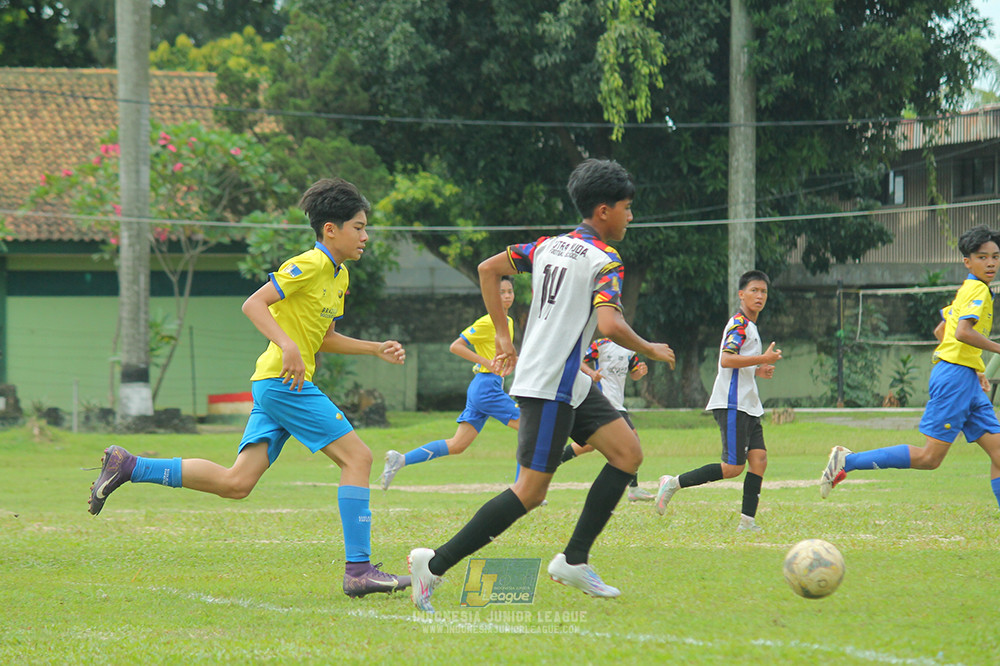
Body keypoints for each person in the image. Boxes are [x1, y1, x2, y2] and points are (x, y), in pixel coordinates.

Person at [87, 178, 412, 598]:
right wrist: (287, 343)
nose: (365, 236)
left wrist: (374, 349)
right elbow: (253, 304)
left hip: (277, 384)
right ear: (330, 229)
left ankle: (130, 465)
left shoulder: (339, 274)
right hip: (282, 382)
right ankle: (359, 570)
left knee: (236, 483)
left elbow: (324, 336)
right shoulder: (309, 264)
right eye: (359, 226)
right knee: (359, 458)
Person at [407, 158, 676, 612]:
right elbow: (609, 324)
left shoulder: (548, 246)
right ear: (604, 210)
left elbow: (488, 269)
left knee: (628, 453)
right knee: (530, 493)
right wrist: (649, 348)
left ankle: (574, 560)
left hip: (564, 379)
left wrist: (504, 334)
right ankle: (433, 565)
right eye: (628, 208)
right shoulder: (605, 259)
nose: (631, 217)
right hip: (552, 382)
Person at [820, 225, 1000, 510]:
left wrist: (974, 368)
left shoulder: (968, 289)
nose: (990, 263)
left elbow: (942, 330)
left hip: (961, 376)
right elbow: (963, 332)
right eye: (982, 257)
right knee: (930, 458)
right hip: (955, 379)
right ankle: (847, 461)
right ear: (967, 261)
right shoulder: (977, 290)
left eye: (995, 256)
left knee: (998, 453)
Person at [655, 270, 782, 532]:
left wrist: (759, 370)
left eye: (764, 292)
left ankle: (747, 522)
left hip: (748, 404)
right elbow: (726, 358)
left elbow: (738, 364)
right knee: (733, 467)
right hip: (732, 404)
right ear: (741, 294)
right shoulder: (739, 324)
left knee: (759, 460)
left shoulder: (751, 327)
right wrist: (761, 360)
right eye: (754, 290)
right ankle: (673, 482)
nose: (759, 296)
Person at [378, 277, 520, 490]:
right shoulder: (486, 321)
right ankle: (523, 489)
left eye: (510, 291)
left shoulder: (507, 322)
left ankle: (401, 460)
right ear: (491, 296)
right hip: (485, 387)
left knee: (457, 445)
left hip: (485, 387)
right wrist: (486, 362)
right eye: (501, 292)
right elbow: (456, 346)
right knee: (529, 428)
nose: (507, 295)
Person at [558, 337, 654, 501]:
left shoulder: (630, 347)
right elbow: (578, 361)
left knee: (588, 446)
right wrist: (591, 373)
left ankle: (554, 459)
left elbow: (634, 374)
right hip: (604, 400)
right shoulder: (601, 345)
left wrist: (640, 372)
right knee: (633, 438)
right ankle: (634, 489)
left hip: (618, 402)